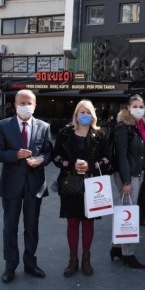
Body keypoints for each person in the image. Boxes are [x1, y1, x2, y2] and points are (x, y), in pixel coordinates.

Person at [0, 89, 53, 284]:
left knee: (32, 226)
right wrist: (14, 155)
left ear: (35, 105)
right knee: (10, 226)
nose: (26, 106)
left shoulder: (44, 126)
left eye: (30, 103)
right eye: (22, 103)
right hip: (11, 183)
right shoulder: (3, 126)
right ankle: (10, 265)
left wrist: (42, 159)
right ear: (15, 105)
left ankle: (30, 262)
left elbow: (49, 152)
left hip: (35, 183)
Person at [52, 100, 110, 277]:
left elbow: (107, 159)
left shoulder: (99, 135)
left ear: (92, 115)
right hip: (70, 183)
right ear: (76, 114)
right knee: (72, 222)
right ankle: (73, 260)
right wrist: (70, 165)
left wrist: (91, 165)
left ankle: (86, 259)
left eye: (88, 112)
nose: (84, 115)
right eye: (81, 111)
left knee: (88, 222)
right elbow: (56, 157)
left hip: (93, 185)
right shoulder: (64, 133)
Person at [109, 94, 145, 269]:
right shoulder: (123, 127)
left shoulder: (141, 127)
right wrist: (126, 181)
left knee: (124, 211)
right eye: (135, 106)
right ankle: (128, 254)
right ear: (128, 108)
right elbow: (121, 156)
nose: (138, 109)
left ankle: (116, 248)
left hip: (137, 174)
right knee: (129, 215)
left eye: (141, 106)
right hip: (127, 176)